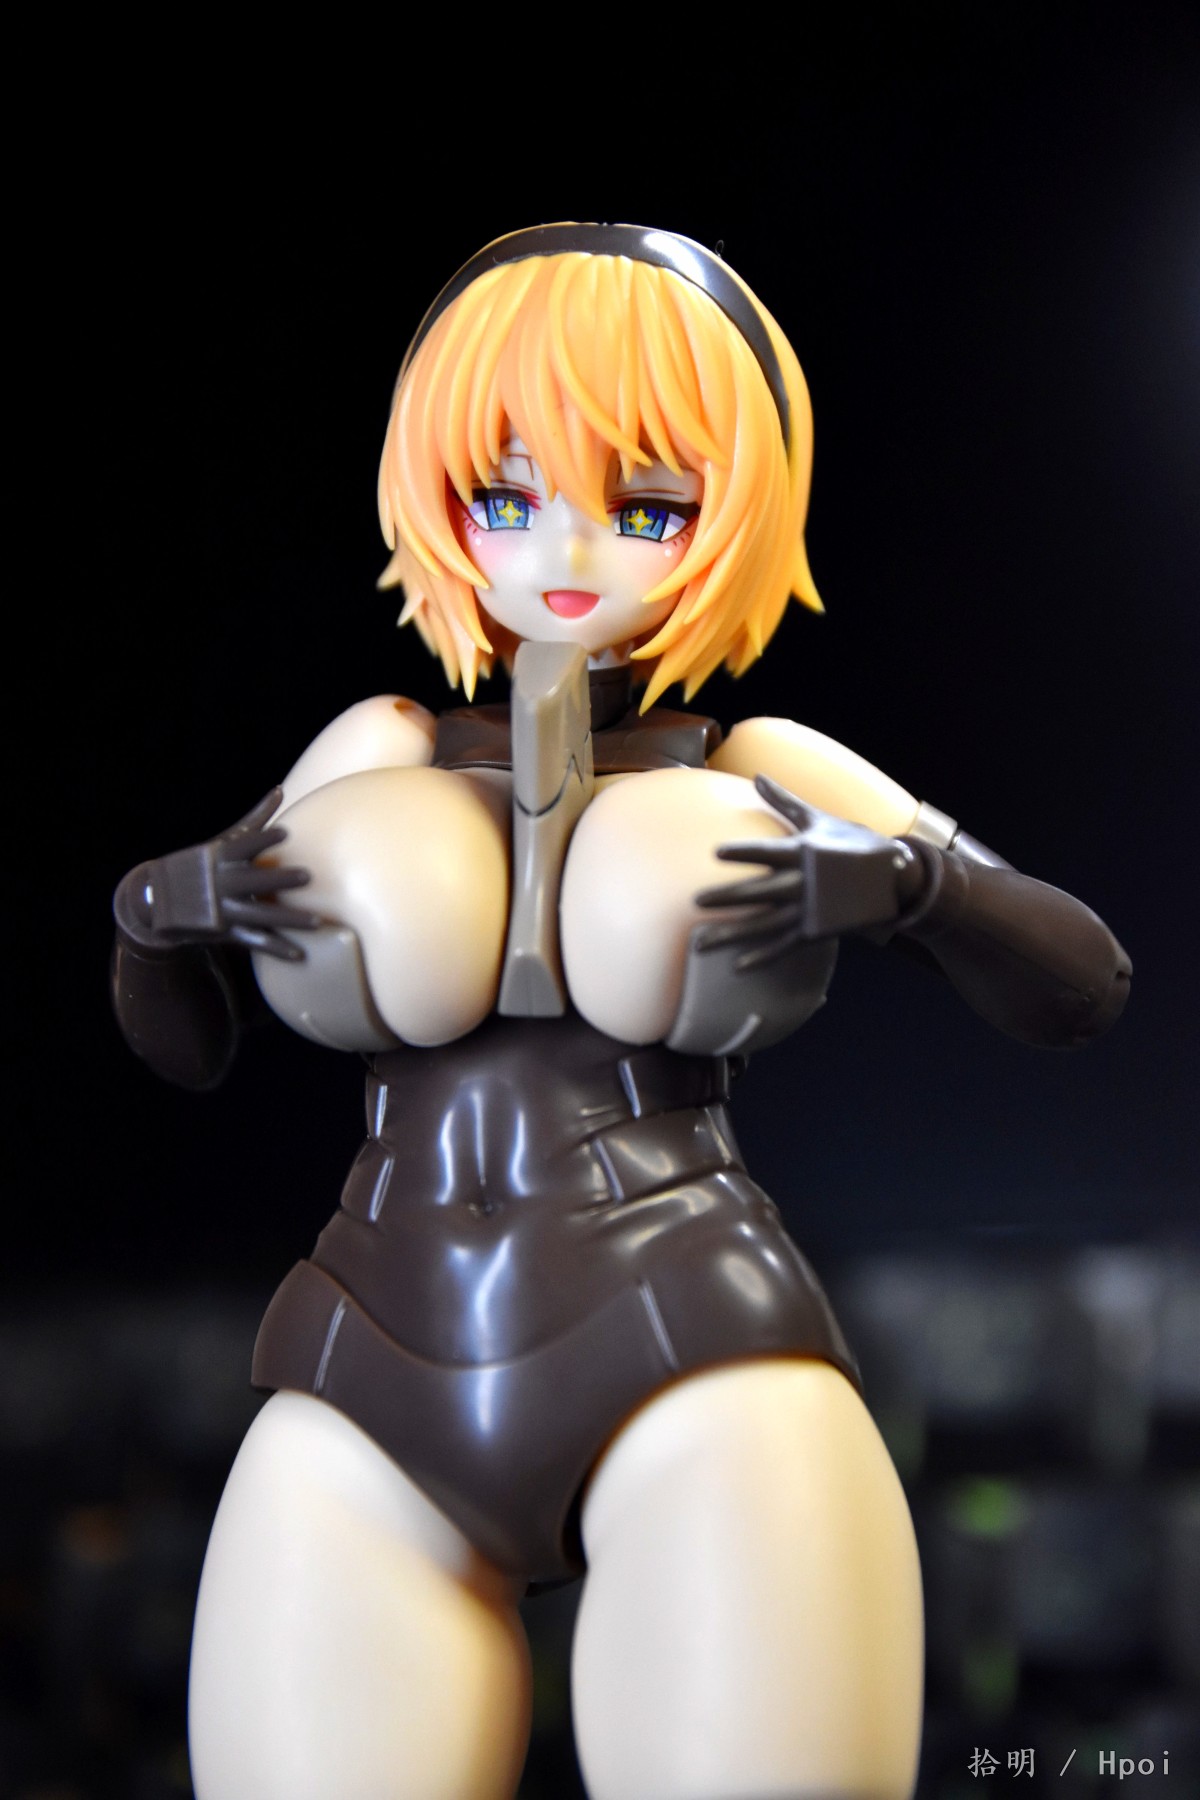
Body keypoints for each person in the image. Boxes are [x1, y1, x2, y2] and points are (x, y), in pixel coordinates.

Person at [113, 225, 1130, 1800]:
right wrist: (162, 912)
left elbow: (1081, 981)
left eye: (647, 504)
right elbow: (181, 1044)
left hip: (692, 1343)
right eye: (505, 495)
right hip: (370, 1359)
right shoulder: (376, 748)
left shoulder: (758, 767)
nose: (567, 547)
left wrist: (912, 886)